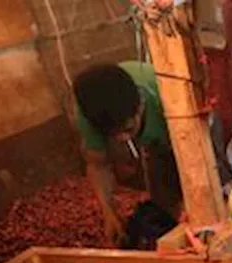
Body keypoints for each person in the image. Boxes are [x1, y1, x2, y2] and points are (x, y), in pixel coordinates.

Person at [73, 62, 179, 244]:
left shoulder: (168, 97)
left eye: (128, 129)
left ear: (140, 106)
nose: (122, 139)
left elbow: (193, 161)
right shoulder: (90, 116)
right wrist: (108, 212)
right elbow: (98, 164)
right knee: (162, 199)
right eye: (113, 134)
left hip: (180, 127)